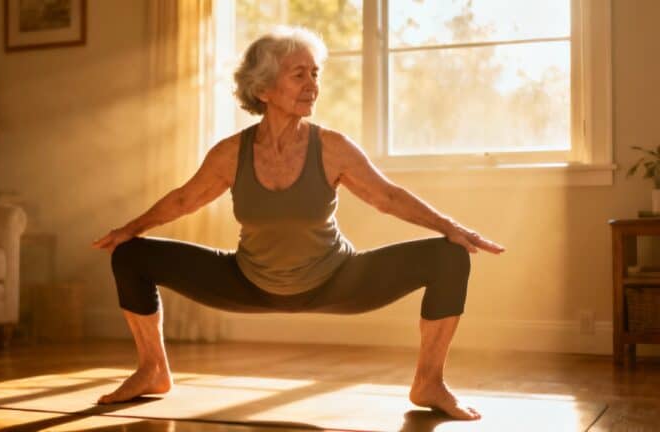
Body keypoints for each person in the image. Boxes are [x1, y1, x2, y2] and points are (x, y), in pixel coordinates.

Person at [92, 26, 505, 421]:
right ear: (263, 89)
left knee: (449, 257)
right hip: (247, 281)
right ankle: (153, 370)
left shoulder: (331, 147)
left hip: (337, 279)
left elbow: (387, 196)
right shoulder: (231, 153)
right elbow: (185, 199)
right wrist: (132, 227)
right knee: (131, 256)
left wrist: (450, 226)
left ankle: (429, 383)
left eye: (315, 73)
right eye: (298, 74)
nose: (312, 84)